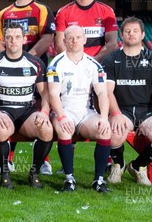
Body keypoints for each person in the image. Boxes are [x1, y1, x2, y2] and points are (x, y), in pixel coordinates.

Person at [0, 0, 56, 175]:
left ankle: (43, 161)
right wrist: (9, 60)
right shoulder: (4, 13)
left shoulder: (42, 9)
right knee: (11, 107)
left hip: (35, 69)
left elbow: (47, 38)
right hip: (9, 70)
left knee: (36, 111)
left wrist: (28, 60)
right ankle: (8, 159)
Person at [103, 17, 152, 186]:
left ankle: (137, 166)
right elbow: (107, 91)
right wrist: (116, 114)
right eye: (127, 31)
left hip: (147, 111)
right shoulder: (111, 60)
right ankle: (118, 164)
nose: (131, 34)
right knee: (112, 134)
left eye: (135, 31)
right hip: (122, 109)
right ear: (121, 35)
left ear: (142, 34)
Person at [0, 24, 53, 189]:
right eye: (9, 37)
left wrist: (44, 112)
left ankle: (34, 172)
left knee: (47, 129)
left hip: (26, 112)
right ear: (4, 40)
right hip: (3, 110)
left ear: (24, 39)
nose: (12, 40)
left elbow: (45, 94)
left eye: (16, 37)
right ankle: (5, 172)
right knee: (0, 130)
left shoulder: (35, 63)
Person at [47, 25, 112, 193]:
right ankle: (69, 178)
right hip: (64, 110)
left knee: (104, 130)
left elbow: (102, 93)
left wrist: (104, 117)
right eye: (70, 38)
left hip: (85, 113)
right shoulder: (56, 64)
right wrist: (61, 116)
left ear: (85, 39)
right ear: (64, 41)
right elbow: (53, 94)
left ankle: (98, 180)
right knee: (64, 129)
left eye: (78, 37)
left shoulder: (94, 65)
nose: (74, 41)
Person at [54, 0, 118, 62]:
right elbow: (59, 44)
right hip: (72, 64)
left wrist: (94, 61)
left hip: (97, 63)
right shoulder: (63, 12)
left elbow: (112, 44)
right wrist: (76, 61)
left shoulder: (107, 11)